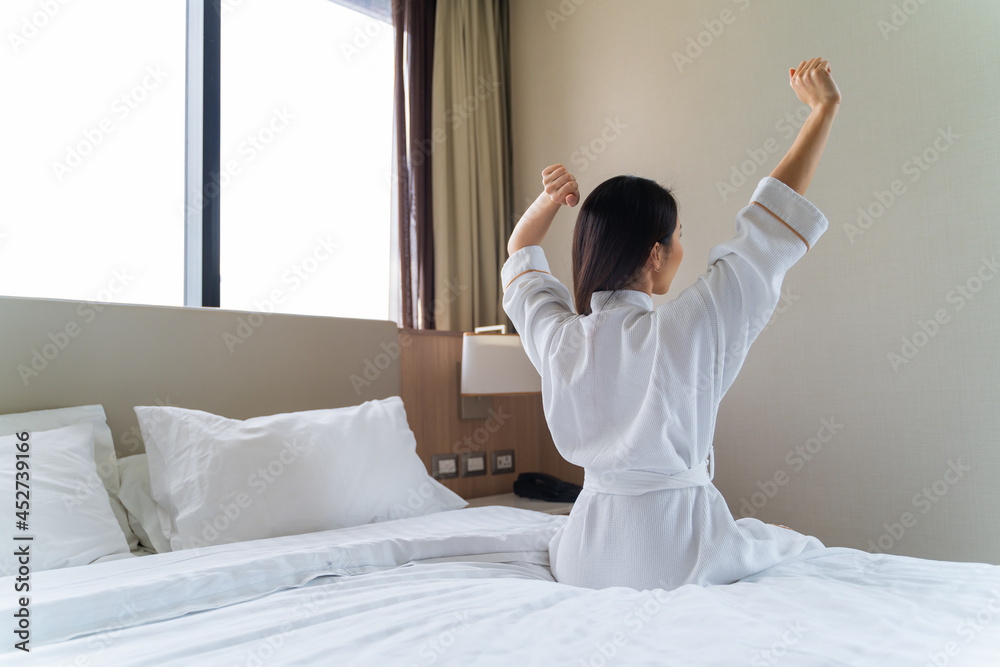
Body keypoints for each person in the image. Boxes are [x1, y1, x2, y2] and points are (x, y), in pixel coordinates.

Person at [501, 58, 845, 591]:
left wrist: (549, 200)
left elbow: (520, 252)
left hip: (584, 556)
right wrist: (821, 112)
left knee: (772, 538)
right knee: (792, 544)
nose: (684, 247)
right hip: (679, 553)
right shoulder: (690, 324)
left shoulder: (561, 338)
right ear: (655, 253)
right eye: (678, 235)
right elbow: (766, 232)